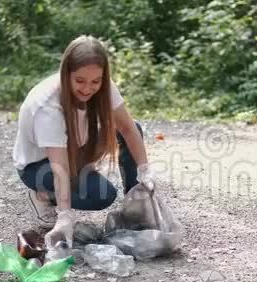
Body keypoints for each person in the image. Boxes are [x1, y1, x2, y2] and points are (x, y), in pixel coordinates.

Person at [12, 35, 155, 249]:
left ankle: (137, 206)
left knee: (134, 127)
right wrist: (65, 214)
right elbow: (59, 167)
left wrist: (144, 170)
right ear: (66, 73)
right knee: (102, 196)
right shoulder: (48, 107)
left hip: (74, 149)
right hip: (39, 166)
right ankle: (42, 195)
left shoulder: (103, 85)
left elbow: (127, 128)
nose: (88, 88)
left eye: (95, 81)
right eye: (79, 81)